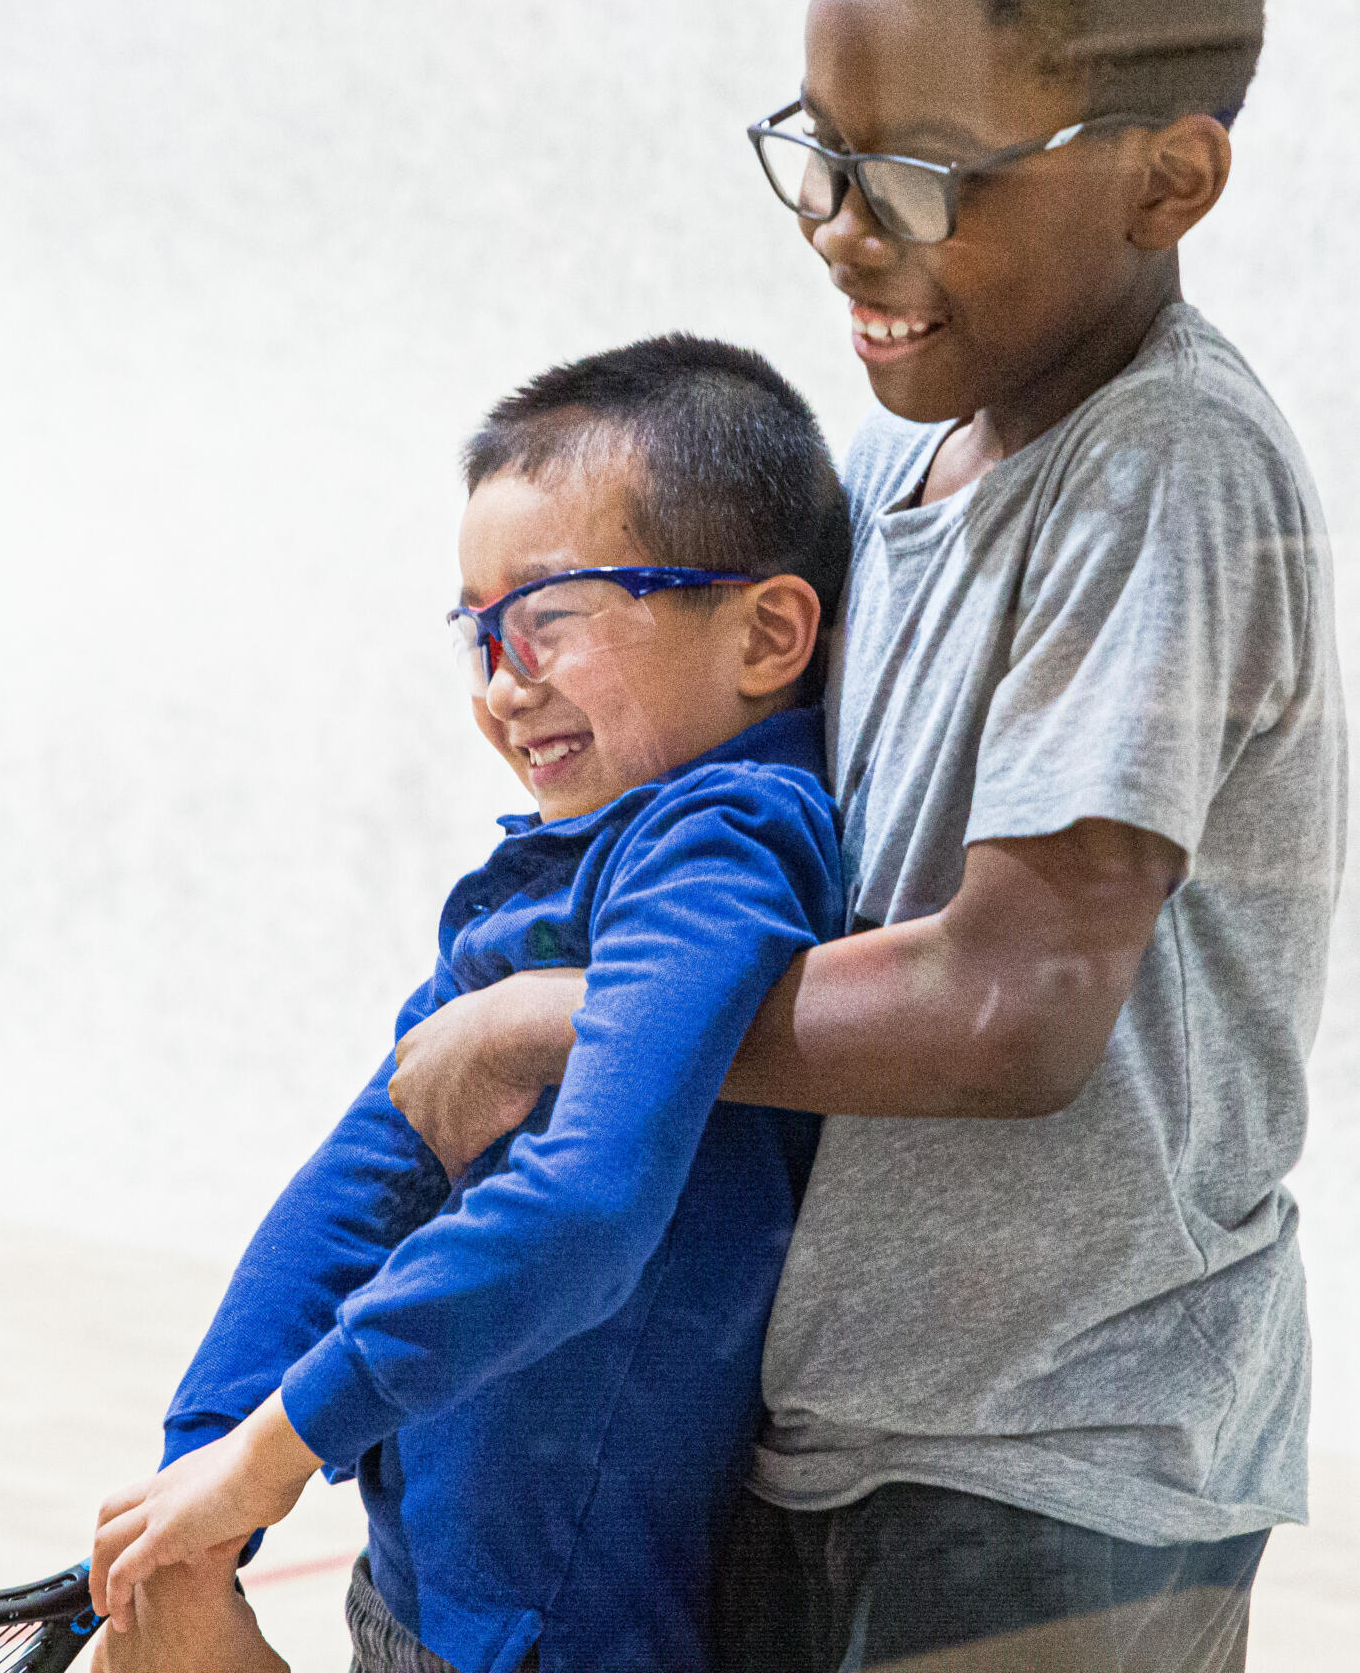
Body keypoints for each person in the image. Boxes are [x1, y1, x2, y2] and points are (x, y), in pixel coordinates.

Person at [389, 0, 1346, 1671]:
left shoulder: (1164, 469)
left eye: (916, 174)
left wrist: (548, 1031)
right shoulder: (900, 450)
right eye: (812, 158)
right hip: (836, 1427)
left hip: (1061, 1464)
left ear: (1165, 177)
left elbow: (1008, 1013)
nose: (840, 234)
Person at [89, 334, 850, 1673]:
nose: (502, 682)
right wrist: (197, 1480)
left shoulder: (721, 838)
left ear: (767, 631)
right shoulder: (567, 856)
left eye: (550, 616)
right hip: (427, 1587)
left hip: (563, 1636)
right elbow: (374, 1160)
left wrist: (270, 1457)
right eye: (479, 628)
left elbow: (586, 1209)